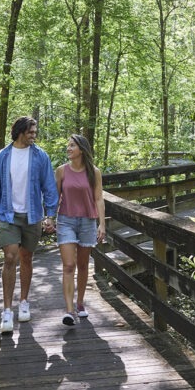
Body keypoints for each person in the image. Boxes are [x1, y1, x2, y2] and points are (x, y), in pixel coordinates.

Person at [0, 116, 59, 334]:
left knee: (27, 257)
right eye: (31, 132)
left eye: (35, 132)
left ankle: (23, 302)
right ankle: (6, 311)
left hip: (33, 216)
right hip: (8, 215)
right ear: (19, 132)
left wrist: (50, 215)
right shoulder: (3, 156)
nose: (34, 136)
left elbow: (49, 188)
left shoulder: (40, 156)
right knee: (10, 258)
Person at [55, 134, 106, 326]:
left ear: (81, 150)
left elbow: (99, 198)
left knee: (83, 265)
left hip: (87, 221)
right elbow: (54, 197)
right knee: (69, 265)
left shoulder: (94, 172)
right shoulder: (61, 171)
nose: (68, 149)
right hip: (66, 220)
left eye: (72, 146)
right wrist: (49, 218)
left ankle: (80, 303)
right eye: (67, 145)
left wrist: (102, 224)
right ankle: (69, 311)